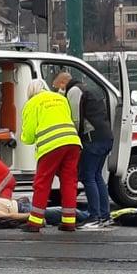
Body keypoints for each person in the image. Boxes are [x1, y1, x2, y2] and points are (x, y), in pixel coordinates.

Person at [53, 71, 114, 229]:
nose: (58, 92)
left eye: (57, 88)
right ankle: (104, 216)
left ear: (62, 84)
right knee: (97, 176)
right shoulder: (88, 88)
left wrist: (73, 139)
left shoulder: (74, 91)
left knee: (88, 177)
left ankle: (94, 217)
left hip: (92, 139)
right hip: (105, 137)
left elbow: (76, 119)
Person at [20, 79, 82, 233]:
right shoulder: (61, 98)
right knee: (69, 182)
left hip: (51, 145)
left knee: (42, 183)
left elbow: (28, 136)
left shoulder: (32, 103)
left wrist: (22, 137)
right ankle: (69, 222)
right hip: (73, 142)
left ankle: (34, 222)